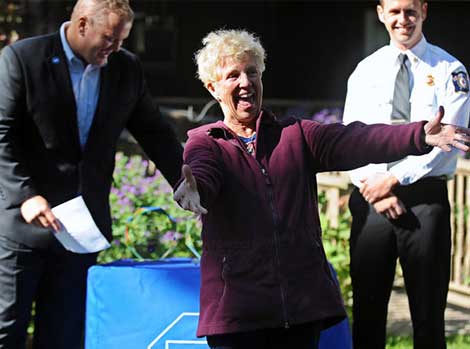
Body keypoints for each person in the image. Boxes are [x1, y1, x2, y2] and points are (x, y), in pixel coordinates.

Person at [173, 29, 470, 349]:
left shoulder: (295, 135)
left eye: (252, 73)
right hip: (238, 317)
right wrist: (196, 189)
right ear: (212, 88)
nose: (245, 82)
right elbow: (202, 172)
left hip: (300, 312)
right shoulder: (206, 142)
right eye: (233, 75)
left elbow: (358, 140)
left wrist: (419, 136)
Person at [0, 0, 183, 348]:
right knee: (7, 330)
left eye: (122, 41)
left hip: (81, 231)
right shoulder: (22, 59)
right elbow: (1, 134)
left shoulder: (125, 69)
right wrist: (26, 196)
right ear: (82, 24)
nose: (115, 49)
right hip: (22, 228)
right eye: (110, 38)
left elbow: (153, 131)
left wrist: (184, 179)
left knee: (64, 337)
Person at [342, 0, 470, 348]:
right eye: (395, 11)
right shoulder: (365, 71)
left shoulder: (449, 70)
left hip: (425, 203)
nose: (403, 20)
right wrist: (376, 189)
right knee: (367, 316)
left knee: (428, 318)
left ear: (424, 12)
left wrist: (393, 181)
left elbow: (450, 139)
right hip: (372, 202)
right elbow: (349, 138)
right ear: (381, 13)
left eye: (411, 11)